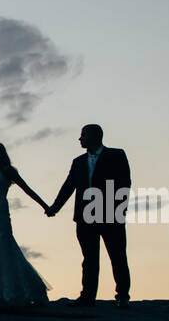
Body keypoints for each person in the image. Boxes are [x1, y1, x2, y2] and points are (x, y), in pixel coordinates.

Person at [45, 124, 132, 307]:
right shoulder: (78, 162)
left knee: (117, 257)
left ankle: (122, 296)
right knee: (89, 259)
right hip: (85, 217)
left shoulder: (116, 155)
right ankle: (88, 296)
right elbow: (69, 186)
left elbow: (125, 183)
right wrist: (55, 207)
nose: (80, 139)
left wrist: (119, 210)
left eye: (83, 135)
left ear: (94, 136)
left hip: (110, 215)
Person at [0, 142, 51, 312]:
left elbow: (27, 189)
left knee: (6, 250)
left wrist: (45, 206)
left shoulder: (7, 171)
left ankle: (18, 292)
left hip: (0, 214)